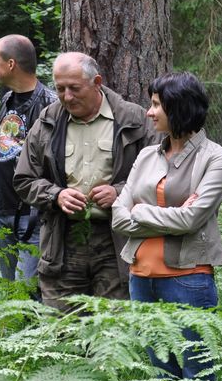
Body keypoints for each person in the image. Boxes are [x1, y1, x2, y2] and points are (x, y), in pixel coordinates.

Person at [111, 71, 222, 381]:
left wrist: (140, 211)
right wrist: (164, 215)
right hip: (141, 279)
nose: (149, 113)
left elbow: (193, 219)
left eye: (156, 105)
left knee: (198, 378)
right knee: (164, 380)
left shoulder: (215, 157)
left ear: (179, 108)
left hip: (189, 280)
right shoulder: (147, 155)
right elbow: (118, 215)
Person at [13, 52, 157, 311]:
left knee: (113, 325)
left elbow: (159, 178)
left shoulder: (134, 120)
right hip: (62, 240)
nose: (67, 96)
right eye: (60, 89)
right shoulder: (47, 121)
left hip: (117, 241)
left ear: (97, 82)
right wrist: (56, 195)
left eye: (74, 88)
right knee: (61, 325)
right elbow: (24, 179)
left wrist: (119, 193)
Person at [0, 34, 57, 290]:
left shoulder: (50, 105)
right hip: (3, 211)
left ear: (11, 64)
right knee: (10, 294)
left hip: (33, 217)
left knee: (26, 295)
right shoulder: (7, 99)